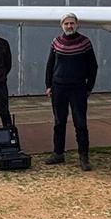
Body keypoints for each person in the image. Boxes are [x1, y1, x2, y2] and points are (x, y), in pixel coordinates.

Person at [44, 13, 97, 171]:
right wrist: (48, 85)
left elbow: (93, 67)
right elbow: (49, 65)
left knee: (80, 123)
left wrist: (89, 87)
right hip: (58, 88)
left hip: (78, 88)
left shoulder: (85, 42)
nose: (69, 26)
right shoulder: (56, 42)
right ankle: (58, 153)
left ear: (77, 24)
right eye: (66, 23)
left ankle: (83, 157)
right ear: (62, 25)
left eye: (72, 23)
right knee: (59, 122)